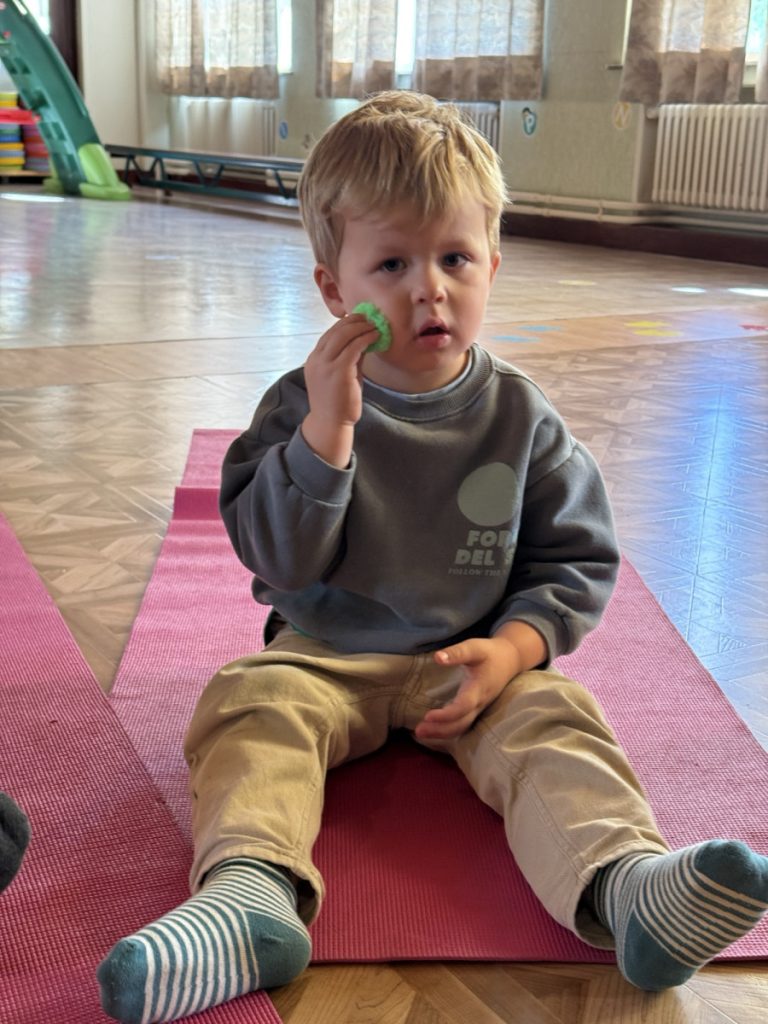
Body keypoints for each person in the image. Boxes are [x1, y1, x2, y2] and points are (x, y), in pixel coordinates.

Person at [97, 91, 768, 1024]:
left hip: (471, 660)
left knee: (558, 719)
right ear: (334, 288)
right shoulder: (298, 407)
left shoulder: (522, 417)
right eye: (392, 264)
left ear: (492, 263)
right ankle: (251, 896)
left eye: (455, 258)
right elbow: (278, 562)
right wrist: (328, 438)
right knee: (250, 707)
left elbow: (575, 561)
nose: (430, 289)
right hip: (323, 653)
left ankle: (625, 887)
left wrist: (514, 651)